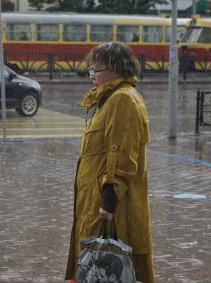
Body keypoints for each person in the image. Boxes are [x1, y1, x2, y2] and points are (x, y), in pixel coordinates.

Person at [65, 41, 154, 283]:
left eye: (96, 70)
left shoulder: (122, 100)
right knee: (93, 270)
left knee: (111, 271)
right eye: (90, 70)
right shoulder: (108, 99)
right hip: (93, 205)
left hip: (111, 211)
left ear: (116, 68)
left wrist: (109, 200)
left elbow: (122, 157)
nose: (91, 75)